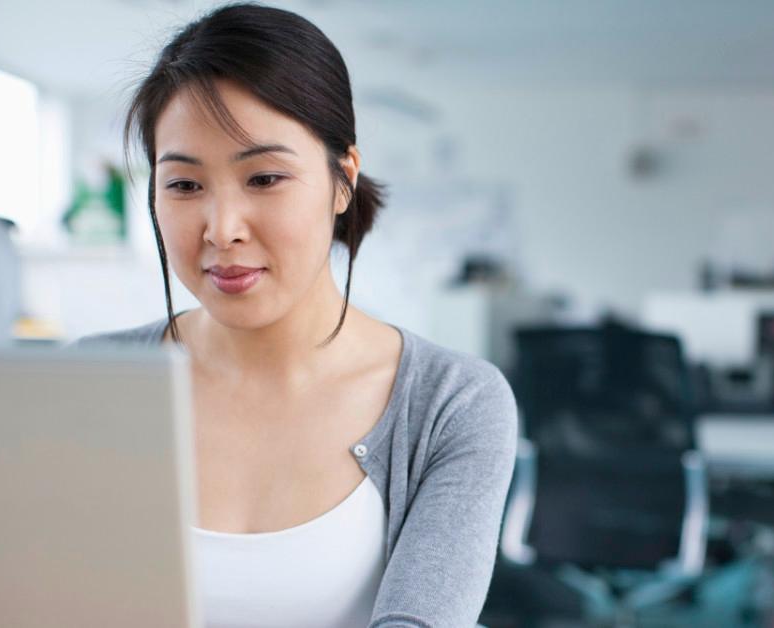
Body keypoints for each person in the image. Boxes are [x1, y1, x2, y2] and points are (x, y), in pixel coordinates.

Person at [71, 4, 518, 626]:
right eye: (184, 185)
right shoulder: (89, 378)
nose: (221, 230)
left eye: (264, 178)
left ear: (343, 181)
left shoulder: (453, 403)